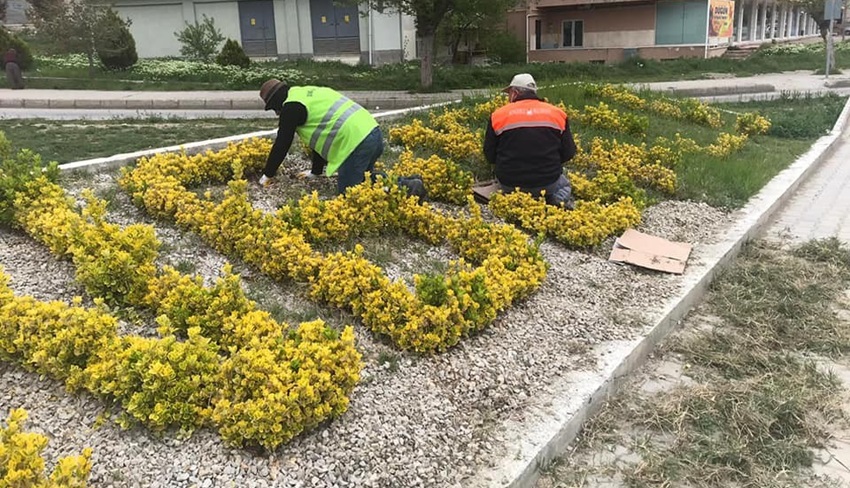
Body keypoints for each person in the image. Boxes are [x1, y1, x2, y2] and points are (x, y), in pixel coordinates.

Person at [258, 78, 425, 198]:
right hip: (372, 132)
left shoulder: (291, 108)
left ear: (276, 101)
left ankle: (408, 187)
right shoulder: (305, 93)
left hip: (356, 143)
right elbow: (319, 137)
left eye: (274, 108)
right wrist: (316, 172)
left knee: (350, 192)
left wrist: (267, 175)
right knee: (364, 178)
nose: (276, 113)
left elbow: (282, 143)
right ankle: (409, 181)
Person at [483, 73, 577, 209]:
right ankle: (554, 201)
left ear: (515, 93)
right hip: (547, 182)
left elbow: (489, 155)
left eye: (509, 93)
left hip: (510, 183)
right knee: (565, 184)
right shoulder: (558, 114)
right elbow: (569, 153)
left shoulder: (498, 115)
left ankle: (511, 200)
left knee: (504, 182)